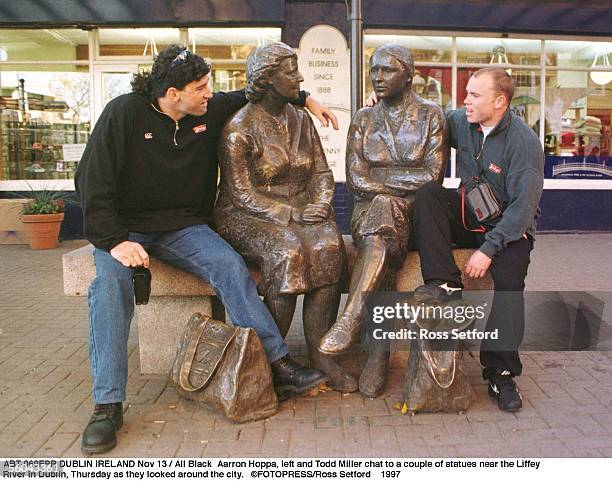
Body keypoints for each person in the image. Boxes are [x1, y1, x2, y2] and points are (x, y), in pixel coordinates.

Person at [75, 44, 338, 454]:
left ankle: (278, 363)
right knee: (109, 290)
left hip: (182, 227)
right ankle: (107, 405)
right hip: (124, 231)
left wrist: (307, 99)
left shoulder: (206, 110)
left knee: (230, 268)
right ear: (172, 93)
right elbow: (91, 183)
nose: (210, 93)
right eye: (200, 87)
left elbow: (258, 91)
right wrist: (114, 241)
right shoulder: (124, 113)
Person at [213, 42, 357, 394]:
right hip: (245, 213)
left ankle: (320, 354)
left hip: (301, 208)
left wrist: (322, 203)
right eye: (291, 72)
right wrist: (289, 212)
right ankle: (270, 361)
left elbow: (322, 172)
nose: (300, 78)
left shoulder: (300, 119)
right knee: (288, 251)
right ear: (267, 78)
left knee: (328, 246)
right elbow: (241, 193)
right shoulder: (238, 128)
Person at [318, 45, 448, 398]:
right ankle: (377, 350)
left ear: (409, 75)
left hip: (414, 214)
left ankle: (358, 323)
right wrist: (402, 177)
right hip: (369, 212)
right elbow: (356, 177)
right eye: (373, 70)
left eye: (387, 70)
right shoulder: (363, 118)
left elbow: (432, 177)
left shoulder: (431, 116)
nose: (377, 77)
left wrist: (383, 177)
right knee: (382, 218)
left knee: (383, 224)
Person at [412, 67, 544, 412]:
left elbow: (523, 209)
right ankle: (446, 285)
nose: (465, 101)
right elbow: (431, 114)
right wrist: (384, 98)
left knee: (510, 284)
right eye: (466, 93)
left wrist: (488, 250)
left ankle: (500, 372)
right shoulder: (463, 122)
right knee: (429, 196)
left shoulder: (524, 143)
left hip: (511, 228)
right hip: (472, 212)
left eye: (474, 95)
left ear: (499, 102)